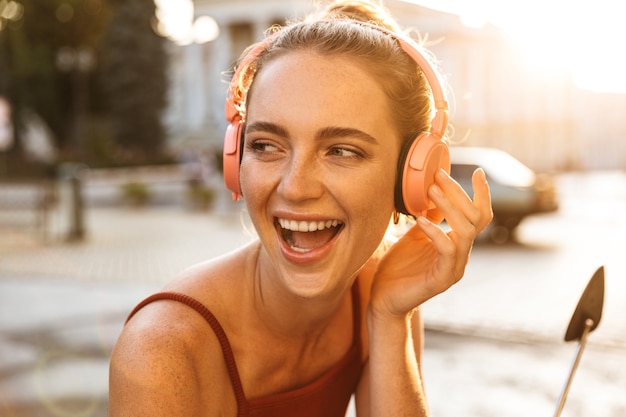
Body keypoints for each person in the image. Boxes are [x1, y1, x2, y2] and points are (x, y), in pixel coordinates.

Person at [108, 0, 493, 416]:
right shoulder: (163, 349)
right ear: (235, 160)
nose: (295, 187)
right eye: (266, 145)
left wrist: (389, 317)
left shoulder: (383, 292)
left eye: (342, 150)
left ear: (409, 179)